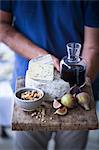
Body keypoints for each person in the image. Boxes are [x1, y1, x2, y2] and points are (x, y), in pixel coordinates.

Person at [0, 0, 99, 150]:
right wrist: (44, 58)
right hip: (31, 88)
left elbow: (92, 46)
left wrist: (78, 90)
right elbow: (2, 27)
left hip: (75, 92)